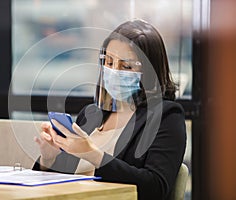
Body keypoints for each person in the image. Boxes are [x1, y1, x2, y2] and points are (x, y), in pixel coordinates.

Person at [32, 19, 186, 200]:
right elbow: (54, 186)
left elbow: (155, 188)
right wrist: (48, 160)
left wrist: (92, 154)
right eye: (109, 62)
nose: (113, 71)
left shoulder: (166, 117)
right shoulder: (91, 114)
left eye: (126, 66)